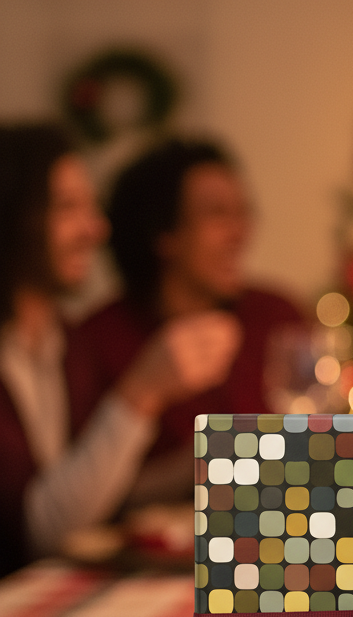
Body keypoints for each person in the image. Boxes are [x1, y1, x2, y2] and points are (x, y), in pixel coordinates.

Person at [0, 123, 240, 576]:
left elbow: (99, 496)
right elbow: (40, 533)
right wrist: (143, 391)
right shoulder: (92, 338)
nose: (95, 228)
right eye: (67, 207)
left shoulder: (66, 344)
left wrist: (223, 457)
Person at [75, 138, 303, 502]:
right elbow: (89, 500)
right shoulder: (97, 340)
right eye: (217, 214)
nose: (240, 233)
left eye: (243, 213)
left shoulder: (277, 317)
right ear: (162, 234)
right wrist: (199, 465)